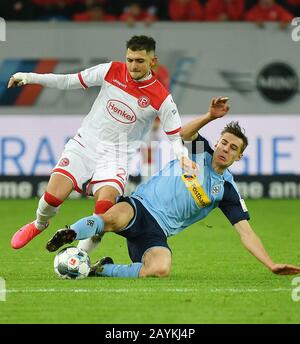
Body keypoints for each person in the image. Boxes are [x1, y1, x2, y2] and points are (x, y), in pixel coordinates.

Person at [45, 97, 300, 278]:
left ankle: (99, 269)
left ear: (239, 157)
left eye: (233, 148)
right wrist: (210, 116)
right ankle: (69, 233)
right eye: (224, 143)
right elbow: (184, 134)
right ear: (218, 142)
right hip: (141, 207)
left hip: (157, 232)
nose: (225, 149)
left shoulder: (226, 190)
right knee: (110, 218)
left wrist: (271, 264)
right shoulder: (201, 152)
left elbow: (246, 233)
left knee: (160, 268)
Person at [8, 35, 195, 251]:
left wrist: (184, 159)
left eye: (140, 61)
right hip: (85, 145)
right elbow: (69, 80)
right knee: (52, 198)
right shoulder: (110, 71)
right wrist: (29, 77)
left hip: (116, 157)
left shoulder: (162, 97)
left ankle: (78, 257)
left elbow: (175, 136)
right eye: (130, 59)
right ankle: (39, 224)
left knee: (103, 214)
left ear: (153, 61)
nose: (133, 65)